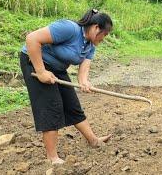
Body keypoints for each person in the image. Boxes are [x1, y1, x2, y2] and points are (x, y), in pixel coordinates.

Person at [20, 9, 113, 164]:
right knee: (51, 106)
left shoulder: (90, 46)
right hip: (34, 63)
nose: (105, 38)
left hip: (57, 69)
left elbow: (83, 72)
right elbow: (31, 39)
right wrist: (41, 71)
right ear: (96, 28)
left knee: (72, 104)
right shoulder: (69, 29)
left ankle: (93, 140)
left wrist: (84, 82)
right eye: (105, 33)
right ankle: (52, 157)